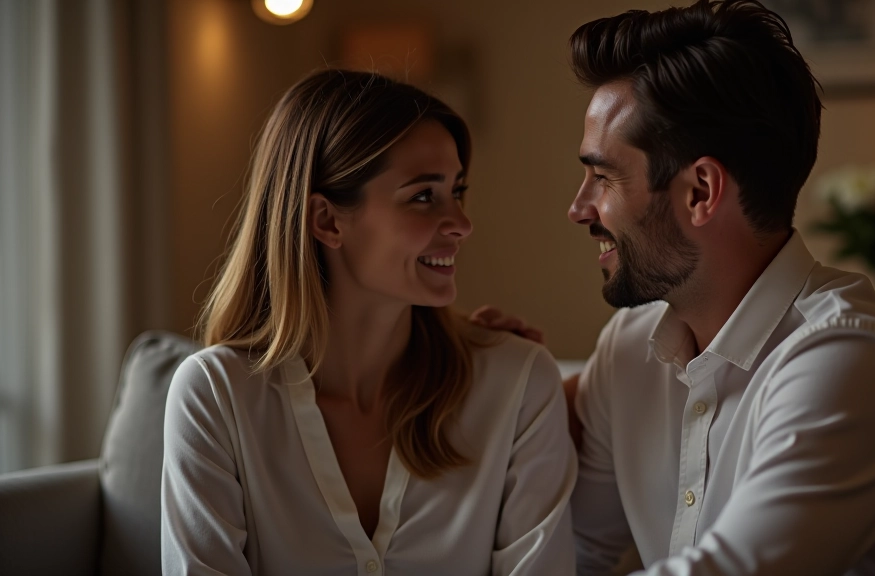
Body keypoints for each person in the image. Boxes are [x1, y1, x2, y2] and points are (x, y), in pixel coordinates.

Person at [481, 1, 875, 574]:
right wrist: (488, 375)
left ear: (700, 191)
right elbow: (574, 556)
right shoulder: (631, 347)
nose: (578, 208)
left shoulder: (851, 360)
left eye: (603, 176)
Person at [160, 69, 576, 576]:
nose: (462, 224)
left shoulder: (518, 384)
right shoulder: (216, 396)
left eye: (457, 191)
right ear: (327, 221)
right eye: (424, 196)